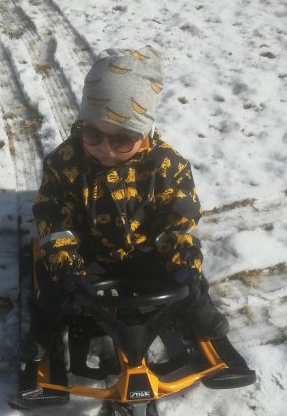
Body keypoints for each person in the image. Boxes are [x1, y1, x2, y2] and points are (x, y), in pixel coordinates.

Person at [20, 45, 229, 362]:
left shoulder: (167, 165)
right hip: (86, 251)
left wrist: (182, 256)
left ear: (145, 134)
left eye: (121, 139)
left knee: (188, 275)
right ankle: (45, 323)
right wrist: (65, 262)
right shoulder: (64, 163)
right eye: (92, 133)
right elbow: (51, 214)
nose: (105, 148)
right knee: (51, 280)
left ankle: (197, 303)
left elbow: (180, 216)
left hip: (145, 249)